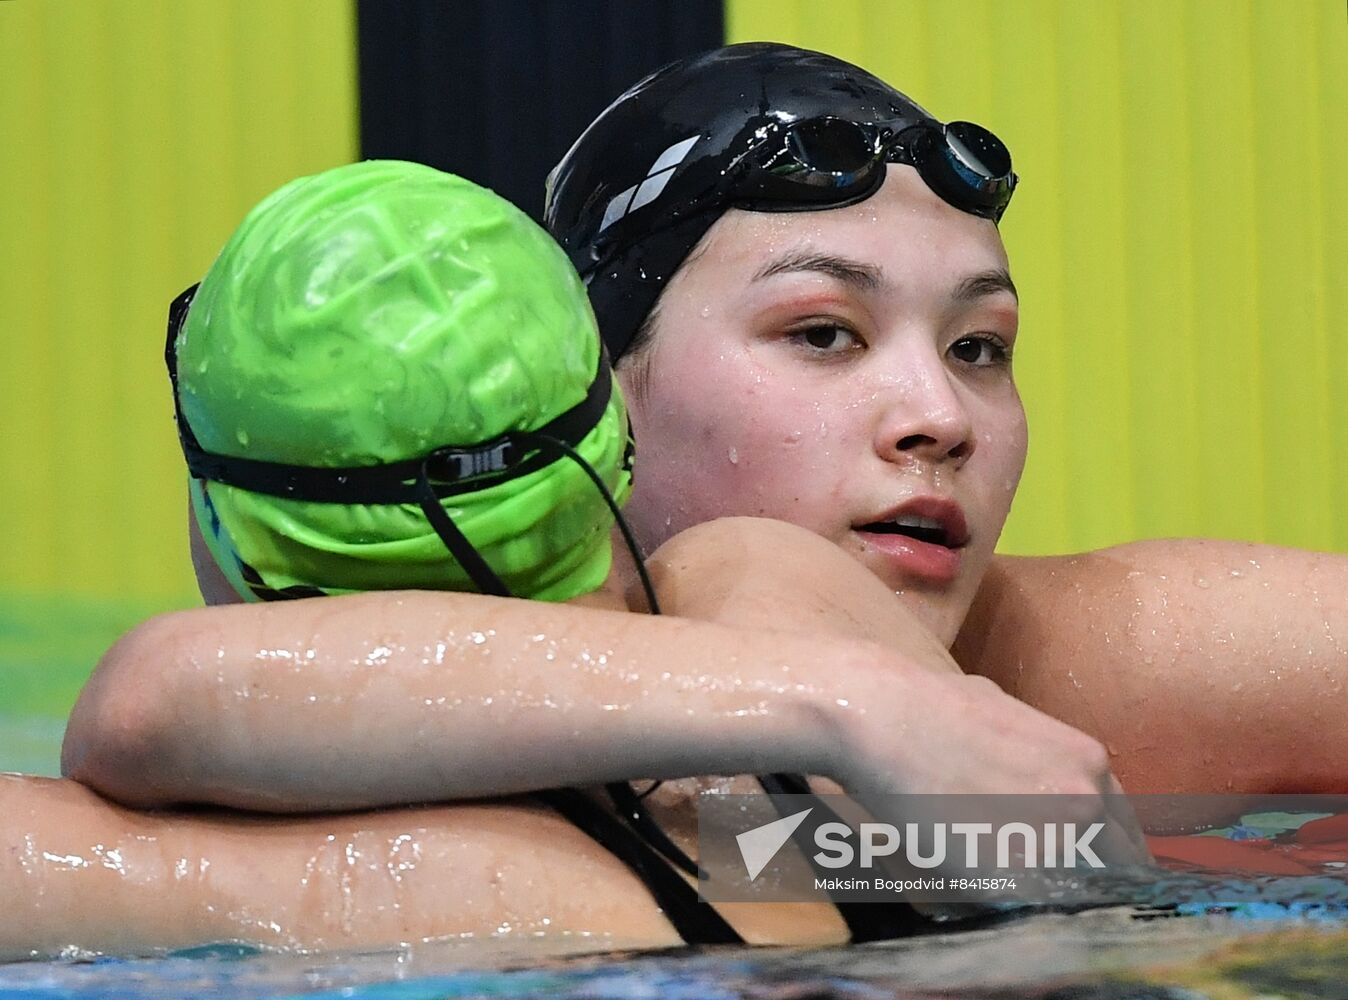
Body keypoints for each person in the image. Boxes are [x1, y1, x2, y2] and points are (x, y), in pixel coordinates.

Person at [55, 41, 1347, 945]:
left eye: (982, 348)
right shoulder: (741, 634)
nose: (940, 418)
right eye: (823, 334)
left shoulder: (1104, 654)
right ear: (605, 392)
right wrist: (854, 712)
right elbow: (165, 696)